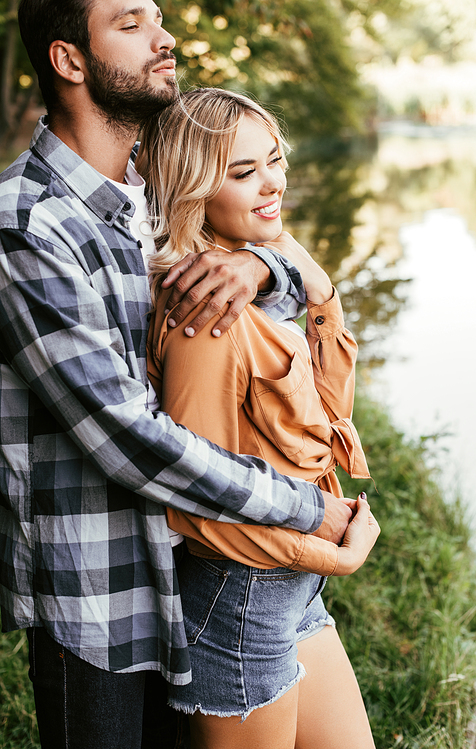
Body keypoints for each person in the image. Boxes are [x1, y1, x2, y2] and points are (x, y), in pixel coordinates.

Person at [0, 2, 358, 748]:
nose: (165, 38)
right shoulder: (27, 227)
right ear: (69, 61)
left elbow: (259, 243)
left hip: (200, 568)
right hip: (99, 595)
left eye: (159, 18)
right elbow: (130, 438)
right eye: (130, 24)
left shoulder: (147, 198)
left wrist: (264, 263)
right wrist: (313, 511)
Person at [141, 88, 380, 749]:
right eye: (243, 173)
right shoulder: (206, 315)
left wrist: (314, 283)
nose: (272, 183)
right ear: (192, 187)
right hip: (240, 598)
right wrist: (331, 550)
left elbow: (332, 414)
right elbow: (197, 500)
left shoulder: (260, 273)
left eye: (273, 160)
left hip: (290, 593)